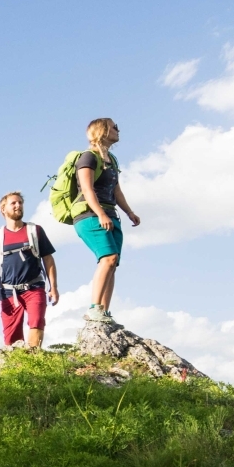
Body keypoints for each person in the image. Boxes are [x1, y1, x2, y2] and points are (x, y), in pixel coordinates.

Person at [72, 118, 141, 323]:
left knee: (113, 263)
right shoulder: (88, 157)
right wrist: (100, 213)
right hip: (90, 215)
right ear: (102, 131)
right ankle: (94, 308)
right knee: (108, 258)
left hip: (111, 215)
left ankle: (104, 312)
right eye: (113, 127)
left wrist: (129, 212)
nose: (118, 129)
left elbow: (116, 189)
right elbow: (87, 188)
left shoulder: (111, 159)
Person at [0, 192, 58, 349]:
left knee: (36, 322)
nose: (18, 206)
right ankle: (18, 367)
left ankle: (33, 360)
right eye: (13, 203)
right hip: (8, 291)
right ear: (3, 209)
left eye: (20, 202)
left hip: (34, 287)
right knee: (11, 337)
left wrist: (53, 287)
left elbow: (48, 259)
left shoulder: (35, 231)